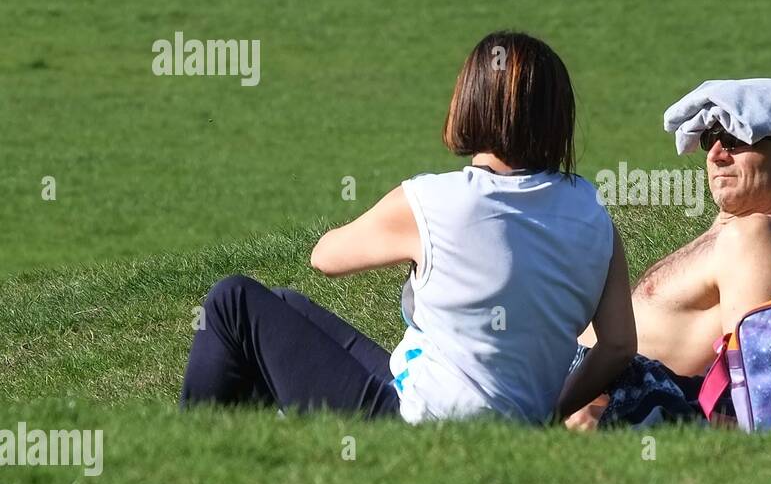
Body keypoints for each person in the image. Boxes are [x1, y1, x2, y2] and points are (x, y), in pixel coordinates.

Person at [180, 32, 637, 425]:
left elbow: (325, 257)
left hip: (417, 422)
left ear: (473, 100)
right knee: (282, 304)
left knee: (232, 302)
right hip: (512, 421)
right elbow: (617, 346)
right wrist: (548, 414)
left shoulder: (439, 201)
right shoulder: (592, 213)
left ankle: (187, 454)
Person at [566, 78, 771, 429]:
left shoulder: (758, 235)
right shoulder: (738, 233)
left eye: (735, 140)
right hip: (590, 387)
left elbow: (755, 382)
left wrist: (596, 409)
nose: (716, 154)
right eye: (711, 138)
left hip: (615, 403)